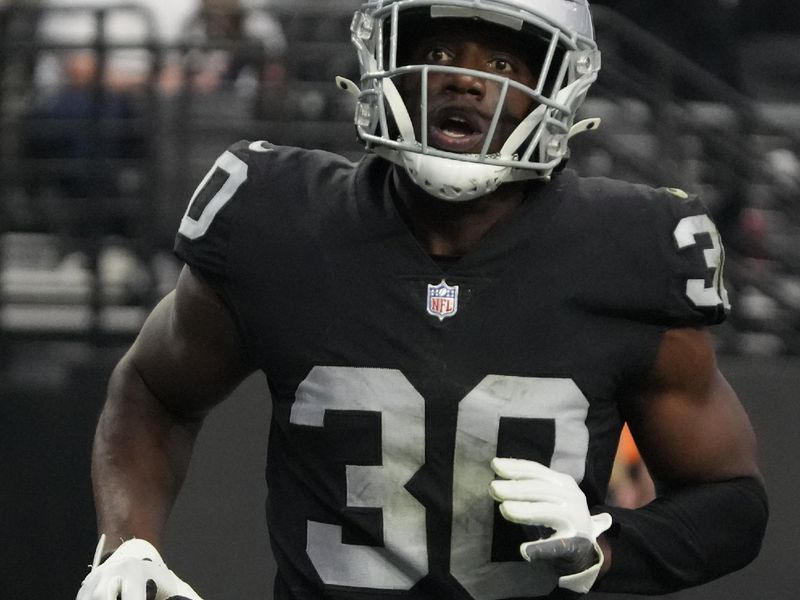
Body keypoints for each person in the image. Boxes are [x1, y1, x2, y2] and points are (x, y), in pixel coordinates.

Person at [76, 1, 768, 599]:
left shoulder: (630, 251)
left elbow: (732, 502)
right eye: (436, 51)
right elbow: (153, 392)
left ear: (558, 87)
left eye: (504, 66)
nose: (464, 78)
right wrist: (130, 544)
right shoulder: (277, 222)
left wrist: (606, 549)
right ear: (383, 61)